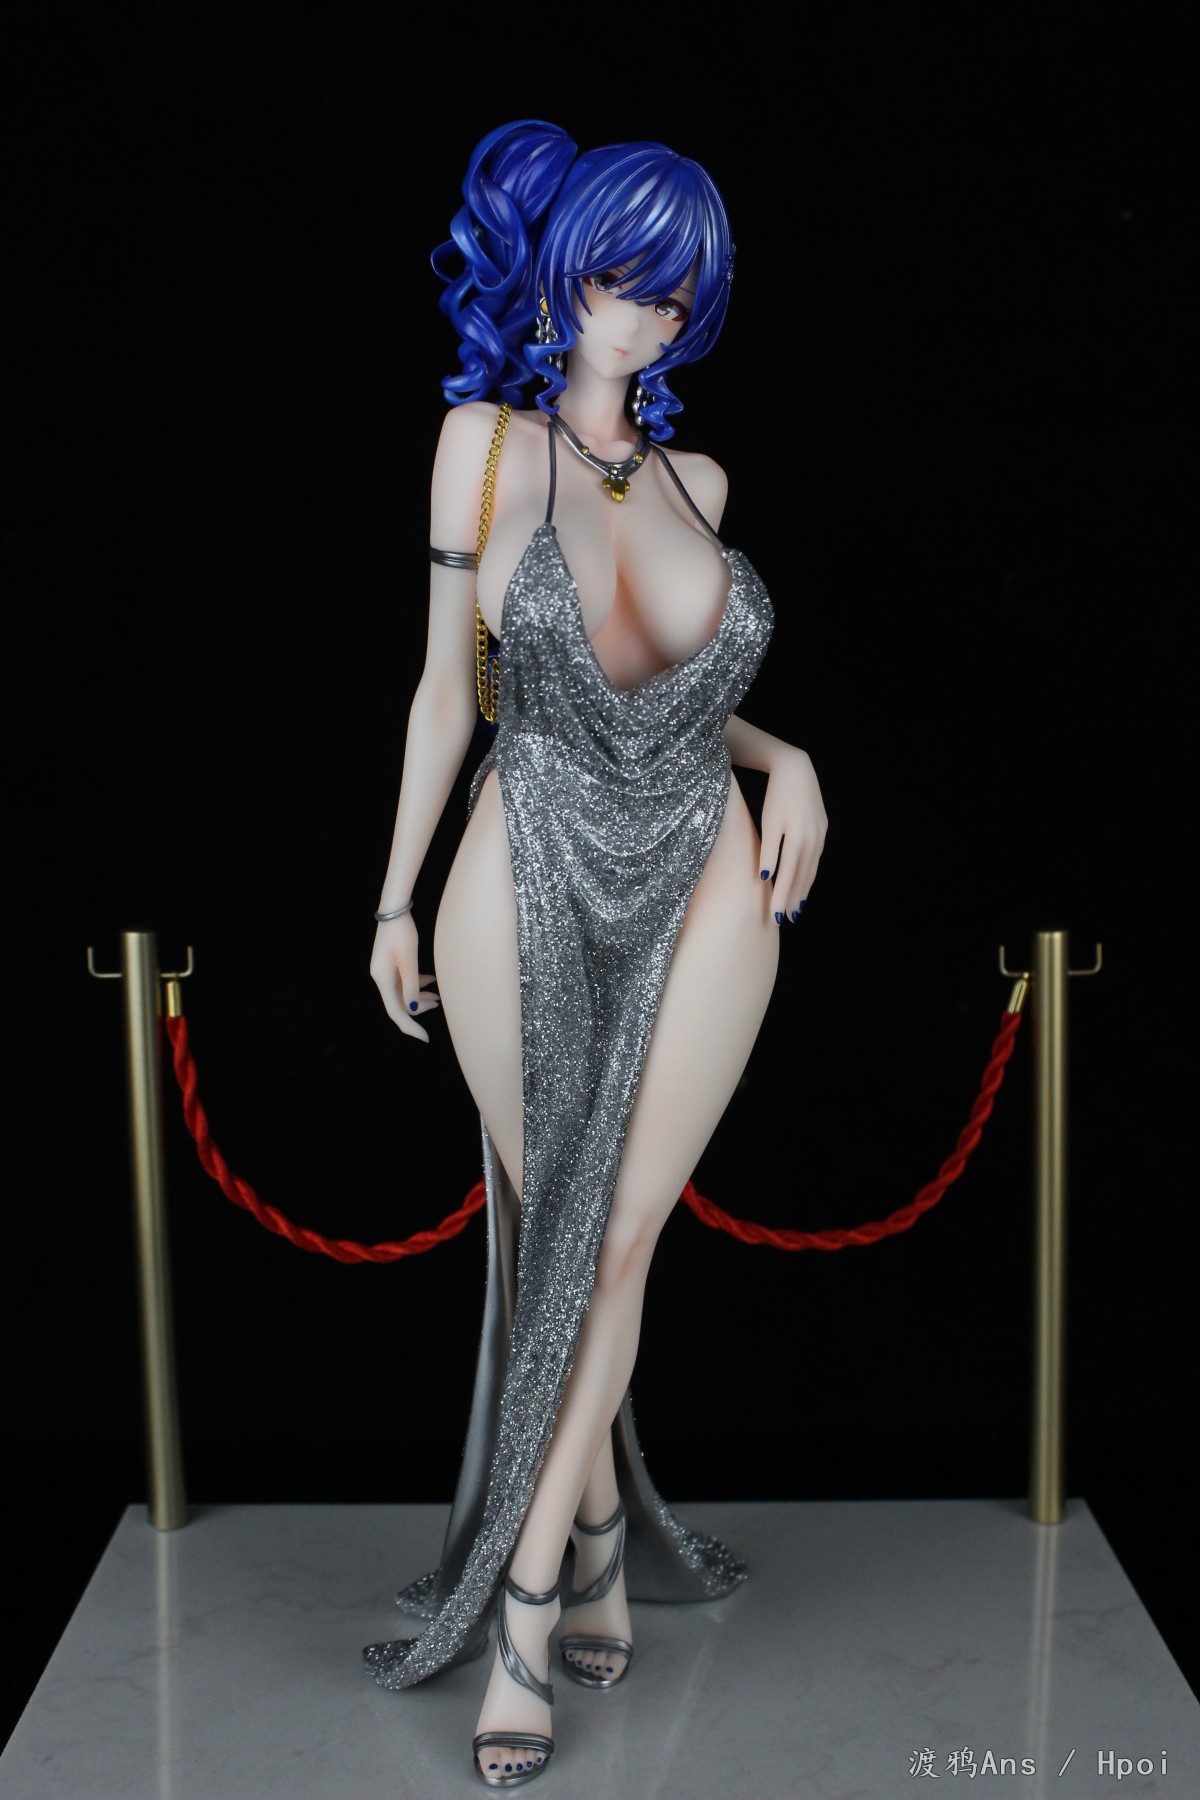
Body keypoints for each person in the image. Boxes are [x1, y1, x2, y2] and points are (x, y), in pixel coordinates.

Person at [365, 118, 827, 1788]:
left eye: (677, 294)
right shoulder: (480, 448)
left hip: (704, 864)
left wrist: (788, 756)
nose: (646, 316)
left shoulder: (704, 485)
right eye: (623, 278)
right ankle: (600, 1542)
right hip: (526, 849)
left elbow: (680, 694)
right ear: (562, 271)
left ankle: (527, 1605)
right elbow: (449, 690)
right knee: (566, 1228)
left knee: (620, 1237)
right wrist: (392, 897)